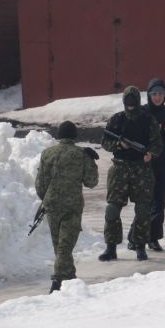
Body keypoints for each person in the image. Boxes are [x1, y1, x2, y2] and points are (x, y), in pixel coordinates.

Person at [99, 86, 163, 262]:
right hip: (119, 168)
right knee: (112, 209)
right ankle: (111, 248)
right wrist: (119, 145)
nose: (130, 105)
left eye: (133, 101)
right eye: (128, 101)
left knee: (143, 210)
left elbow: (157, 144)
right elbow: (105, 142)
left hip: (141, 169)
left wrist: (151, 154)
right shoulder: (116, 119)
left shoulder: (148, 119)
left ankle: (140, 246)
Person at [35, 120, 99, 293]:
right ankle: (57, 281)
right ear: (74, 136)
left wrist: (47, 198)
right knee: (65, 246)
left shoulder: (47, 154)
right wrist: (92, 161)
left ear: (59, 135)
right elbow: (92, 182)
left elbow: (40, 184)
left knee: (59, 245)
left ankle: (69, 278)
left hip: (52, 205)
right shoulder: (81, 155)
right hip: (72, 206)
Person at [127, 78, 165, 252]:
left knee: (159, 204)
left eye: (160, 94)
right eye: (154, 94)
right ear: (149, 95)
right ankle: (134, 237)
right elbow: (132, 134)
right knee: (144, 203)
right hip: (144, 164)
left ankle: (153, 238)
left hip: (164, 164)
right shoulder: (142, 112)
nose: (157, 97)